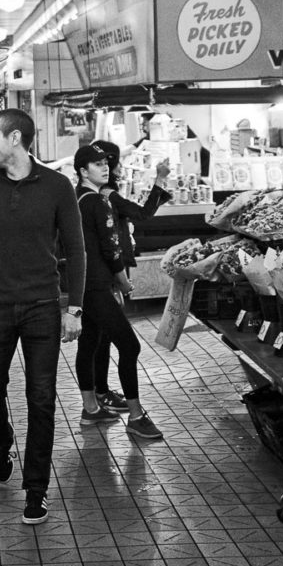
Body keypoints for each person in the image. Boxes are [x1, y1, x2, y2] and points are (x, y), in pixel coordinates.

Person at [0, 110, 86, 525]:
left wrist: (74, 308)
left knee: (42, 398)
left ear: (15, 138)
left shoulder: (57, 186)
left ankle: (36, 489)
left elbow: (76, 250)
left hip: (41, 307)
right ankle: (3, 440)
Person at [74, 144, 163, 440]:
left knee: (89, 342)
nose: (105, 168)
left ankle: (91, 408)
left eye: (105, 163)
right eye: (96, 165)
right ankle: (136, 416)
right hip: (99, 284)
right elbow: (111, 248)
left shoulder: (77, 198)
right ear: (83, 171)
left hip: (82, 283)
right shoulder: (98, 202)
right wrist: (123, 281)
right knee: (130, 345)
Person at [92, 141, 171, 410]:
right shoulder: (107, 195)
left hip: (103, 272)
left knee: (98, 336)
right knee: (113, 340)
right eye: (112, 163)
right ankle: (109, 400)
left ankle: (99, 394)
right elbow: (143, 214)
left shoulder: (98, 194)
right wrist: (160, 178)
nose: (121, 167)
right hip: (108, 273)